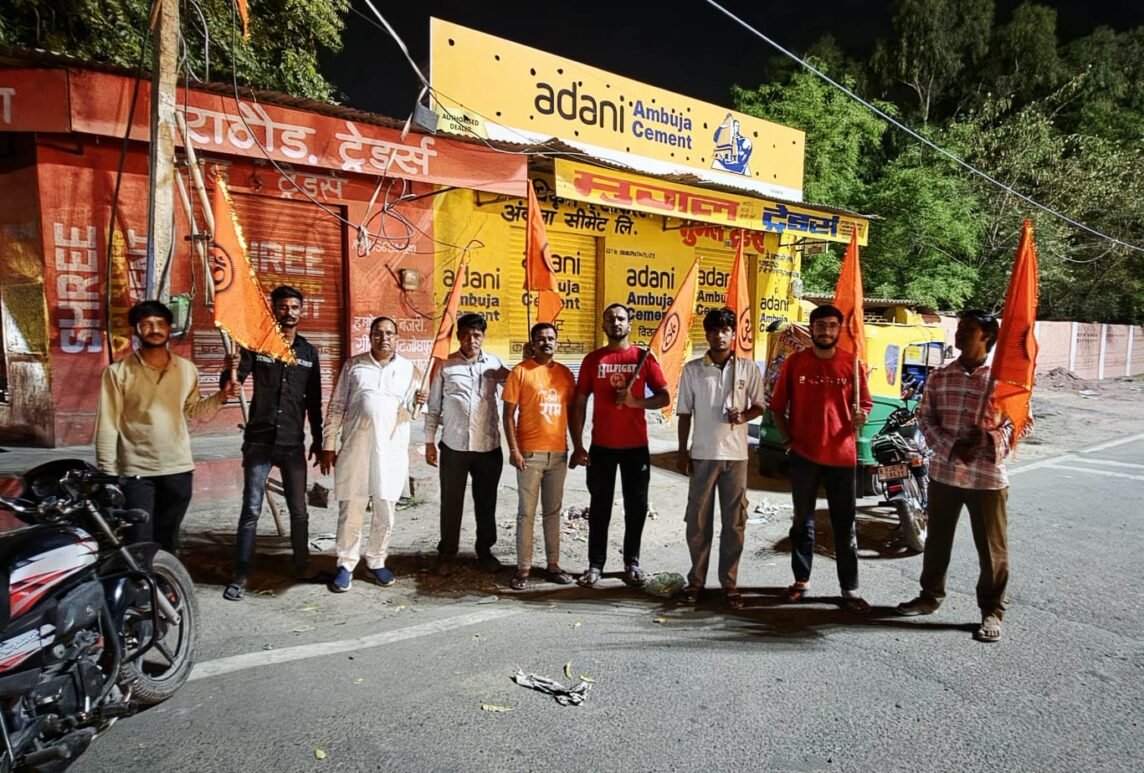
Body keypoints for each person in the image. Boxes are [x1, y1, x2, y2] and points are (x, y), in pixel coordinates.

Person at [896, 310, 1026, 643]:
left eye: (969, 328)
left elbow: (1023, 422)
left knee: (992, 550)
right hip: (945, 473)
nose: (960, 332)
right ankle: (929, 597)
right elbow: (924, 418)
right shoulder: (940, 376)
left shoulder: (1004, 381)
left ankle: (992, 611)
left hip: (987, 479)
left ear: (988, 337)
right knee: (937, 542)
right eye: (960, 327)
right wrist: (952, 447)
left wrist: (989, 440)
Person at [95, 300, 238, 553]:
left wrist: (221, 396)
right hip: (137, 471)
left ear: (169, 328)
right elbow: (108, 424)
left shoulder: (186, 369)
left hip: (178, 469)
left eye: (160, 323)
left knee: (168, 540)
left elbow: (193, 411)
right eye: (147, 324)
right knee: (138, 541)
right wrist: (108, 474)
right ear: (136, 330)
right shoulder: (118, 373)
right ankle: (141, 579)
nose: (154, 329)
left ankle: (166, 577)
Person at [220, 285, 323, 601]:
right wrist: (229, 368)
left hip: (293, 445)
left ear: (301, 312)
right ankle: (241, 575)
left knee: (299, 511)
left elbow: (314, 402)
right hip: (259, 442)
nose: (289, 312)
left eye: (294, 307)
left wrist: (319, 440)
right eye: (282, 307)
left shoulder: (308, 353)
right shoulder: (257, 346)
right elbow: (231, 386)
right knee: (251, 509)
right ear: (273, 310)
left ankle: (301, 566)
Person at [768, 303, 873, 612]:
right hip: (804, 455)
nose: (826, 331)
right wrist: (788, 441)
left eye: (831, 325)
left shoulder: (852, 364)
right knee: (802, 521)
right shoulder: (795, 363)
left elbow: (865, 405)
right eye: (820, 325)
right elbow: (777, 407)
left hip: (842, 457)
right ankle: (801, 580)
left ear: (839, 330)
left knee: (845, 525)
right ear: (811, 329)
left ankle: (850, 588)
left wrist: (861, 416)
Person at [321, 317, 424, 593]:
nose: (384, 338)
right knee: (351, 508)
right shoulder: (353, 365)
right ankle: (346, 564)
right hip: (356, 448)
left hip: (391, 451)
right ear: (370, 336)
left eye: (389, 333)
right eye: (378, 333)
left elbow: (413, 413)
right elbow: (336, 406)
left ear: (397, 338)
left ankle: (376, 560)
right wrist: (329, 443)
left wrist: (418, 402)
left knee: (385, 509)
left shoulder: (410, 370)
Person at [570, 303, 670, 588]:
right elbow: (579, 402)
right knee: (599, 507)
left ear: (629, 324)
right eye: (610, 318)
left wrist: (635, 402)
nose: (616, 322)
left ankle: (632, 562)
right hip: (601, 447)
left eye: (621, 318)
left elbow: (664, 397)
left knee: (636, 507)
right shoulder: (593, 360)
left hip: (635, 447)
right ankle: (595, 564)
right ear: (603, 325)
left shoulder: (642, 357)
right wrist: (578, 444)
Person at [676, 308, 767, 609]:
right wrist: (682, 452)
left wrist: (743, 416)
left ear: (733, 334)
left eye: (725, 330)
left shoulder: (747, 369)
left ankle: (729, 583)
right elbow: (684, 414)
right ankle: (696, 581)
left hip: (736, 456)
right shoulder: (692, 370)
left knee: (734, 523)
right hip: (703, 454)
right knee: (698, 522)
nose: (719, 335)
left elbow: (759, 406)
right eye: (714, 330)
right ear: (707, 334)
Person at [424, 312, 510, 576]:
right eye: (466, 335)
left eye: (477, 335)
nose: (472, 340)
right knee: (451, 503)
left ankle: (485, 551)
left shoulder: (495, 364)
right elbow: (433, 408)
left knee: (486, 502)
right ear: (459, 336)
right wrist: (429, 442)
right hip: (454, 447)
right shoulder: (445, 366)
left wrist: (527, 361)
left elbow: (517, 384)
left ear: (483, 337)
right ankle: (447, 553)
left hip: (488, 448)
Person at [502, 323, 577, 591]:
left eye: (551, 338)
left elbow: (573, 414)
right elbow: (508, 415)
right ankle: (523, 568)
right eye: (541, 339)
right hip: (529, 455)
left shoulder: (565, 374)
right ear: (532, 343)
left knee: (553, 512)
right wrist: (514, 450)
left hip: (558, 455)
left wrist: (577, 447)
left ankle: (553, 565)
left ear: (557, 342)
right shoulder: (520, 372)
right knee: (526, 513)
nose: (546, 343)